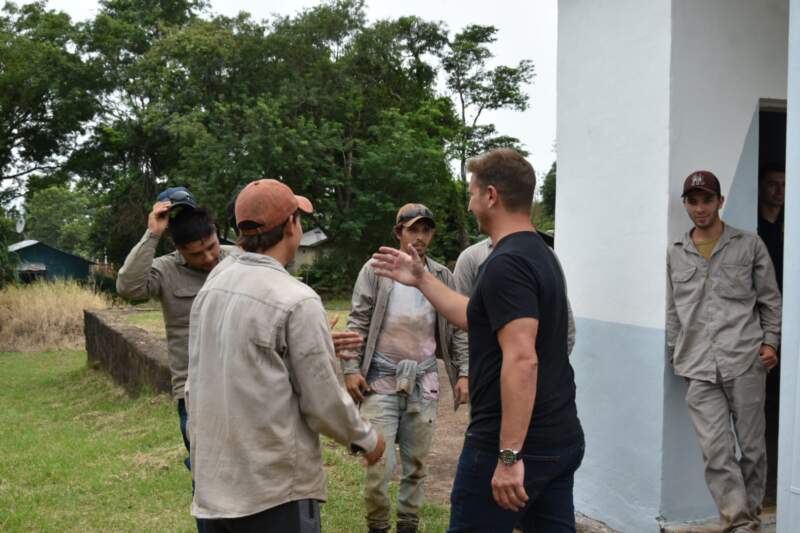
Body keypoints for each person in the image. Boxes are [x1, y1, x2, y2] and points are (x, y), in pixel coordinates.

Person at [372, 148, 584, 532]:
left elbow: (522, 360)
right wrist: (421, 277)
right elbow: (475, 317)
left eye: (471, 193)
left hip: (512, 446)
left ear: (491, 196)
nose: (469, 205)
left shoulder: (507, 264)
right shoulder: (540, 254)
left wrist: (508, 455)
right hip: (558, 438)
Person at [187, 178, 385, 533]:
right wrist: (366, 438)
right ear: (292, 225)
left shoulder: (214, 283)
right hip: (272, 491)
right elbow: (323, 401)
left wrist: (316, 339)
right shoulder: (297, 299)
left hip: (215, 486)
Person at [341, 203, 469, 533]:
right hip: (380, 379)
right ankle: (379, 527)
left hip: (423, 381)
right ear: (398, 233)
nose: (420, 236)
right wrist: (351, 368)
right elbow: (358, 320)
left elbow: (457, 329)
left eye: (426, 230)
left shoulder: (441, 276)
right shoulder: (376, 269)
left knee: (416, 465)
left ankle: (408, 525)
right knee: (380, 463)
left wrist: (465, 372)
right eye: (413, 229)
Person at [666, 170, 782, 532]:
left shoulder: (749, 245)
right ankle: (740, 523)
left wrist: (771, 342)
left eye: (707, 200)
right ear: (686, 204)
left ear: (720, 202)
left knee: (751, 449)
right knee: (716, 452)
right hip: (698, 366)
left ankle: (745, 519)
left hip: (745, 360)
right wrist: (675, 352)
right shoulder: (676, 252)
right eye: (693, 201)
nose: (700, 209)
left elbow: (770, 300)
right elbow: (673, 310)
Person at [116, 187, 235, 532]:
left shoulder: (236, 259)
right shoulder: (165, 270)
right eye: (197, 254)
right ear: (179, 249)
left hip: (244, 385)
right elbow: (128, 288)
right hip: (194, 394)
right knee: (206, 477)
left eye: (212, 246)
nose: (209, 258)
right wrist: (152, 233)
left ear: (215, 232)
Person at [453, 237, 576, 356]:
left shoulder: (547, 254)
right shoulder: (472, 257)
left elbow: (563, 315)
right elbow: (462, 325)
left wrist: (557, 362)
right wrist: (465, 372)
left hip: (542, 367)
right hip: (491, 369)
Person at [756, 162, 785, 505]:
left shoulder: (788, 229)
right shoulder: (755, 230)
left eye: (784, 184)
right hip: (760, 328)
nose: (779, 190)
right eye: (773, 183)